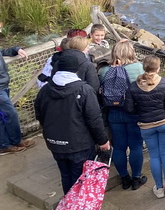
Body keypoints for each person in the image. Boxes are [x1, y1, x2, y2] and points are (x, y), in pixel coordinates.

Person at [34, 49, 111, 194]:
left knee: (66, 175)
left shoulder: (45, 90)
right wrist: (103, 141)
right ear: (76, 69)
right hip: (79, 144)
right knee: (80, 178)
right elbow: (94, 119)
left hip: (54, 143)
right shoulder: (84, 90)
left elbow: (40, 114)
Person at [126, 55, 165, 199]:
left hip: (146, 125)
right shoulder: (164, 83)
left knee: (154, 155)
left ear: (144, 67)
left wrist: (142, 112)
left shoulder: (133, 86)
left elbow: (129, 108)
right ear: (158, 68)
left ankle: (159, 188)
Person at [100, 40, 146, 190]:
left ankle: (124, 178)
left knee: (119, 147)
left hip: (114, 113)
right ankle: (136, 178)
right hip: (134, 112)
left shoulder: (104, 71)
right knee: (135, 146)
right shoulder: (138, 67)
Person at [0, 23, 35, 156]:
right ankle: (16, 141)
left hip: (3, 85)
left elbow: (2, 52)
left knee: (3, 116)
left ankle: (4, 144)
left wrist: (15, 49)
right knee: (11, 114)